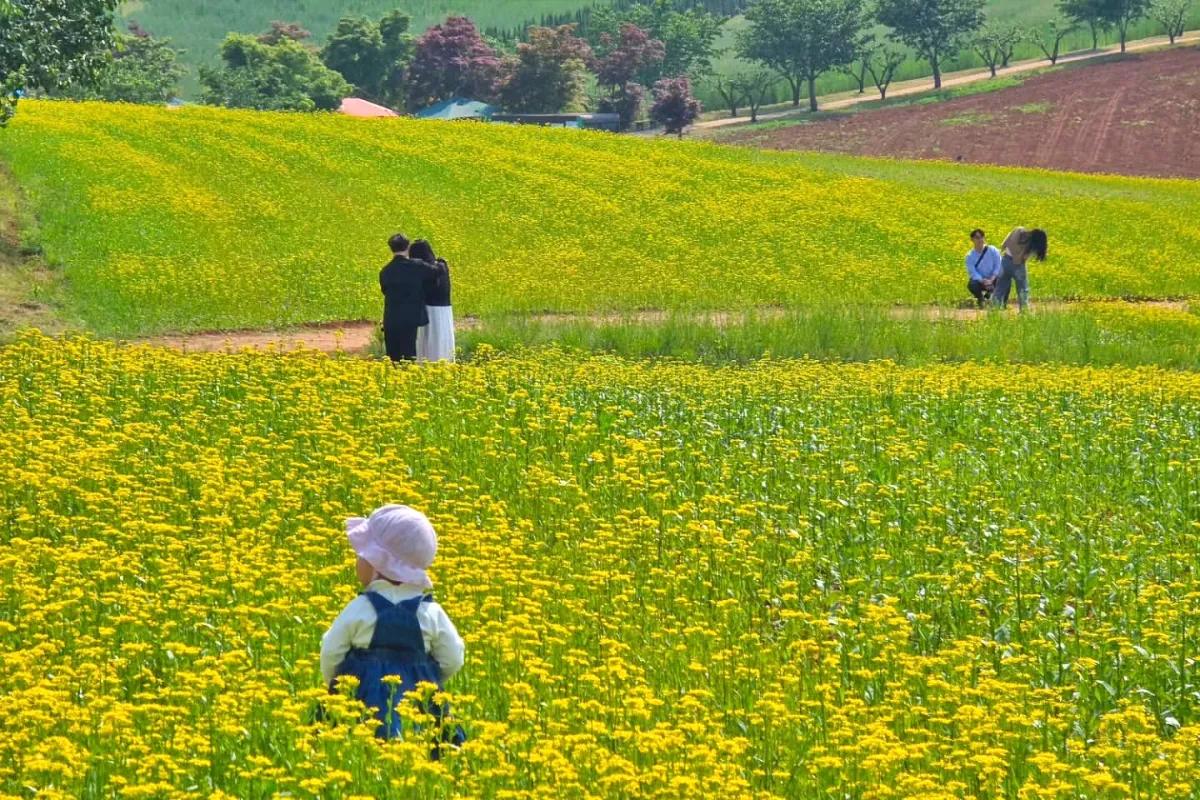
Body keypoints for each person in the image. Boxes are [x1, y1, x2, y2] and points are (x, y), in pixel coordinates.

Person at [320, 505, 466, 742]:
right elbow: (453, 656)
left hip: (360, 700)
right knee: (431, 749)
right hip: (420, 703)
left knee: (351, 743)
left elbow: (331, 650)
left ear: (378, 565)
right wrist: (429, 678)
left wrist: (337, 685)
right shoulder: (430, 612)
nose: (358, 561)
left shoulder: (361, 608)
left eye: (362, 556)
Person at [379, 234, 437, 362]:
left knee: (393, 356)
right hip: (411, 317)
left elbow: (384, 290)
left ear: (391, 248)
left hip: (391, 318)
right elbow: (435, 272)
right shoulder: (417, 266)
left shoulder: (385, 271)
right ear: (408, 247)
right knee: (409, 354)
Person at [409, 240, 456, 363]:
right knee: (443, 341)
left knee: (428, 342)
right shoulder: (441, 265)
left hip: (429, 310)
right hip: (445, 311)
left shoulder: (425, 271)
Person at [993, 227, 1048, 311]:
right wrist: (1019, 257)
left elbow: (1007, 243)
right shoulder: (1031, 244)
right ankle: (1024, 311)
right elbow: (1024, 257)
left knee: (1000, 287)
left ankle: (994, 310)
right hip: (1019, 266)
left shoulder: (1019, 231)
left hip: (1006, 261)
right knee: (1022, 289)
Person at [965, 228, 1002, 307]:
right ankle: (981, 299)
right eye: (977, 237)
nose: (980, 239)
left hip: (993, 278)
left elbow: (998, 265)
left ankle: (997, 300)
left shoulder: (993, 250)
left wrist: (991, 279)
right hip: (981, 280)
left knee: (1004, 280)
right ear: (972, 240)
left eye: (982, 237)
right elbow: (972, 272)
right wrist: (982, 280)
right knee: (972, 284)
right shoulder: (969, 256)